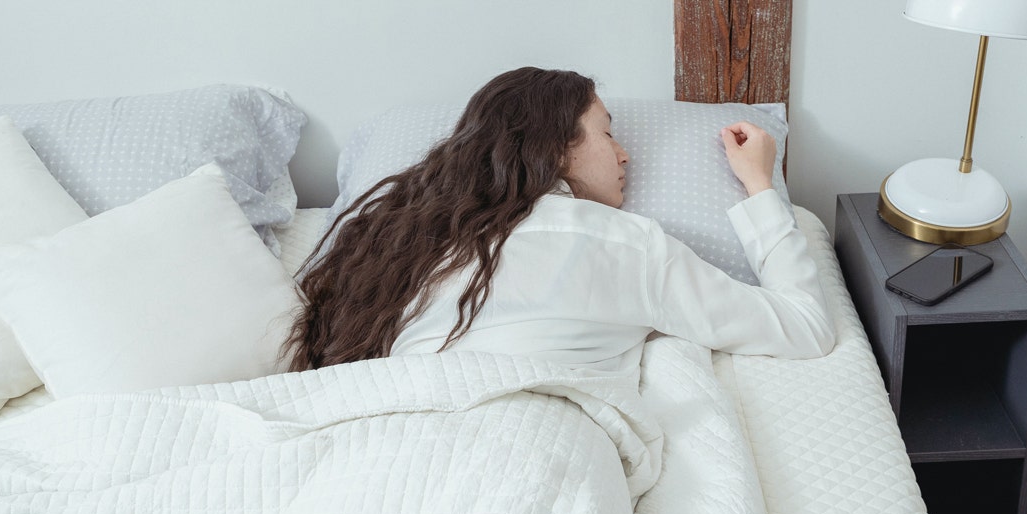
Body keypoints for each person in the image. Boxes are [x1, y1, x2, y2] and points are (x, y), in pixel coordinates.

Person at [284, 66, 834, 373]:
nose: (625, 155)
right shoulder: (623, 244)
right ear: (557, 146)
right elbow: (806, 328)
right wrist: (760, 185)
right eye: (607, 132)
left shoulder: (405, 246)